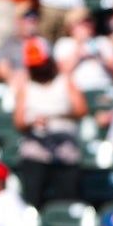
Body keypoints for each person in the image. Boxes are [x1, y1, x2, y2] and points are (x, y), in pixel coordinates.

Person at [12, 38, 88, 206]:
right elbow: (18, 121)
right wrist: (33, 121)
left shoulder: (64, 81)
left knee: (68, 201)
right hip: (37, 151)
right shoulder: (26, 86)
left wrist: (56, 115)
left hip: (64, 150)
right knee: (33, 200)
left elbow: (82, 109)